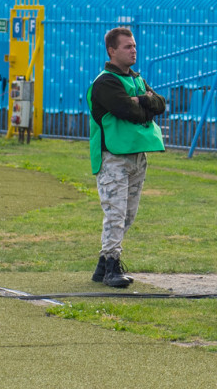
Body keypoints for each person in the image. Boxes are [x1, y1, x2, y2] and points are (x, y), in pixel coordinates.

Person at [87, 27, 166, 288]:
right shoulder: (105, 82)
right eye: (127, 46)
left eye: (134, 46)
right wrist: (145, 104)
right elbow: (127, 111)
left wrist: (140, 100)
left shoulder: (136, 79)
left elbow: (161, 104)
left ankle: (103, 265)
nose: (134, 50)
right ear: (112, 51)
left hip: (136, 156)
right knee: (116, 213)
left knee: (128, 215)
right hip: (113, 157)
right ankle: (112, 266)